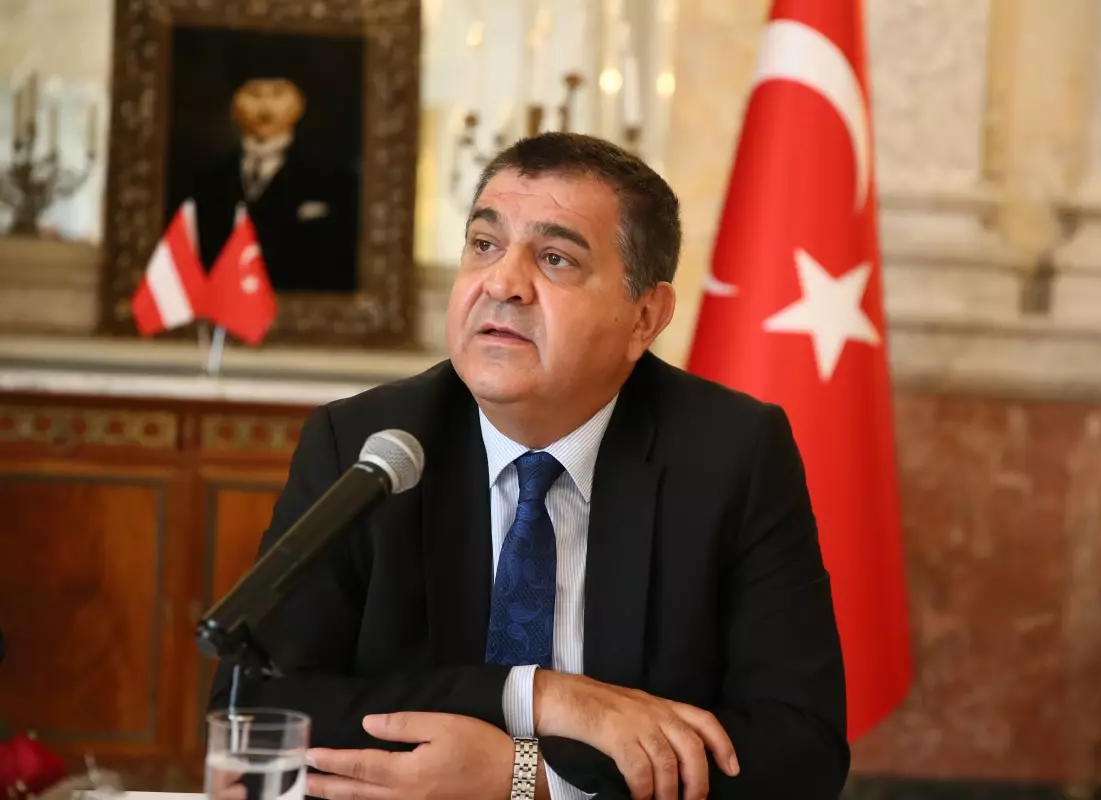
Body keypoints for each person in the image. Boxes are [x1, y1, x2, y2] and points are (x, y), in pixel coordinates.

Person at [209, 132, 848, 799]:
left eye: (555, 258)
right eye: (484, 245)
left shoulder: (730, 454)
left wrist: (531, 778)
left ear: (644, 318)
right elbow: (249, 709)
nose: (502, 284)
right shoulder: (368, 444)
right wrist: (538, 696)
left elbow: (800, 752)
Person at [188, 50, 359, 293]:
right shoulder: (206, 178)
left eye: (278, 94)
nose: (265, 108)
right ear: (234, 104)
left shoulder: (333, 177)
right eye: (254, 94)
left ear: (300, 103)